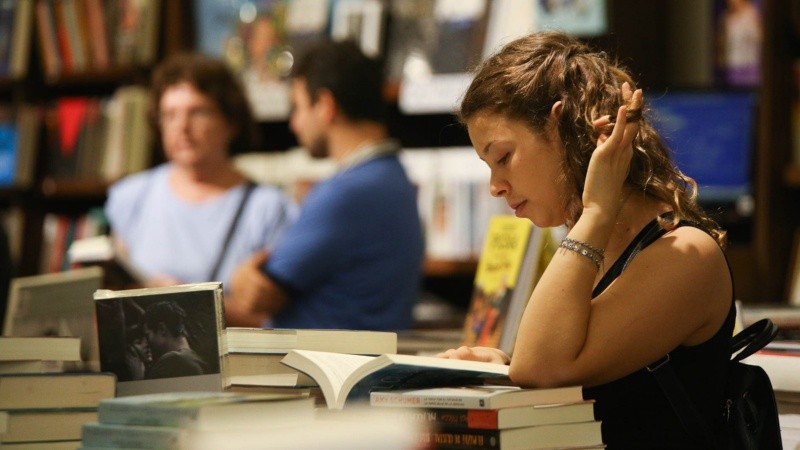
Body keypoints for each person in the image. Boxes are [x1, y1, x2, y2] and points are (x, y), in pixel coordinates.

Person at [437, 31, 735, 448]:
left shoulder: (687, 256)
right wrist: (505, 367)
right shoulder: (591, 247)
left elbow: (542, 367)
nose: (495, 187)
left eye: (503, 157)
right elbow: (564, 367)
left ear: (561, 129)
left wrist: (596, 211)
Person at [229, 40, 425, 331]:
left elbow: (257, 295)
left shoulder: (346, 192)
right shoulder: (393, 177)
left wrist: (240, 275)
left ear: (325, 105)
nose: (294, 124)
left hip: (319, 370)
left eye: (298, 108)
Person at [104, 53, 298, 327]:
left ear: (230, 122)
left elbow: (277, 321)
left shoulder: (268, 208)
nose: (181, 127)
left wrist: (187, 302)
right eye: (169, 115)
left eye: (197, 112)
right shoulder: (131, 197)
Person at [141, 301, 206, 380]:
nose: (146, 343)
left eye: (148, 335)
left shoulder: (172, 362)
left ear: (162, 329)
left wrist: (138, 374)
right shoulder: (197, 360)